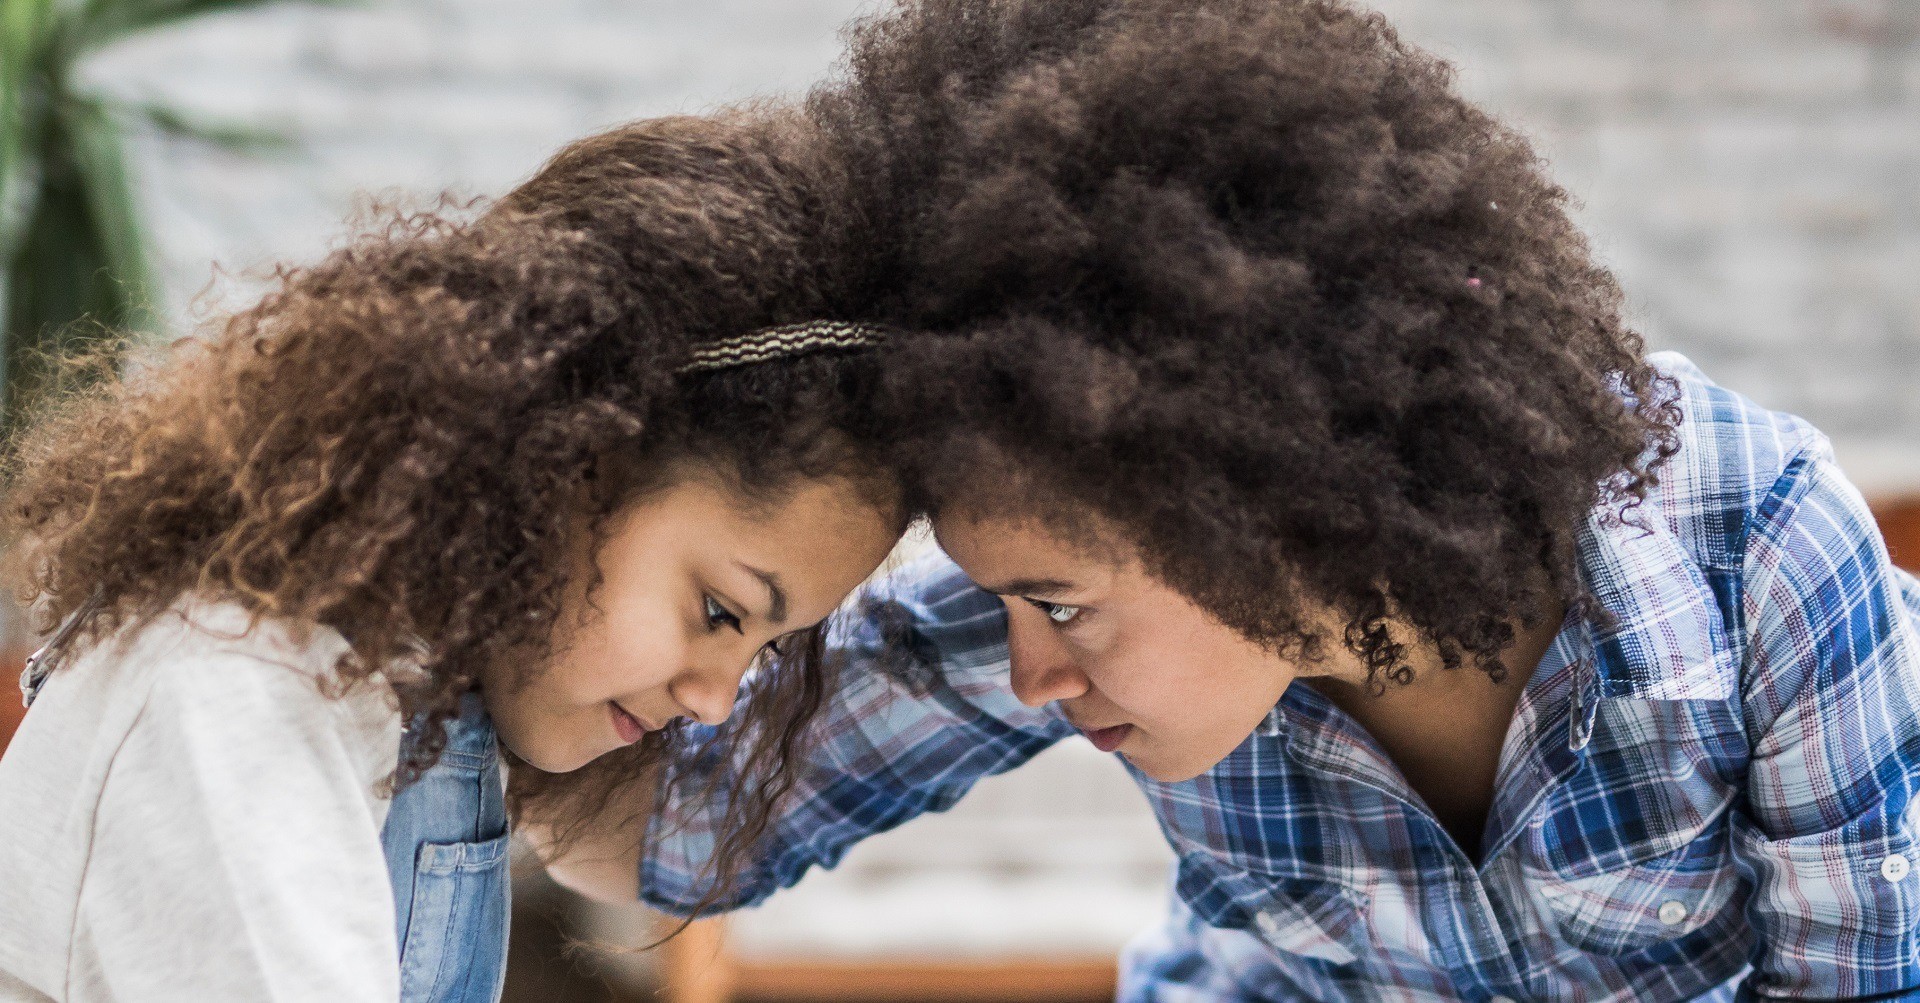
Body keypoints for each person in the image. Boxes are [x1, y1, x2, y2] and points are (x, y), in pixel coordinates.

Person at [543, 1, 1920, 999]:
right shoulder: (1103, 597)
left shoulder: (1758, 545)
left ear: (1251, 494)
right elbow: (670, 832)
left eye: (1060, 603)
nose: (1028, 666)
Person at [0, 107, 906, 1002]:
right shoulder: (234, 701)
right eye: (719, 610)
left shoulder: (431, 695)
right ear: (567, 461)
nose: (713, 703)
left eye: (765, 647)